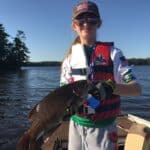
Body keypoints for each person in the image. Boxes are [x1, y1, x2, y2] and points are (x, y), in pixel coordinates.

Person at [60, 1, 141, 150]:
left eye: (91, 19)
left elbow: (136, 89)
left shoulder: (114, 53)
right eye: (80, 20)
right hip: (75, 125)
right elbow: (63, 93)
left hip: (104, 128)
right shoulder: (69, 59)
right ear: (74, 25)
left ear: (99, 23)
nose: (86, 23)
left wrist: (110, 87)